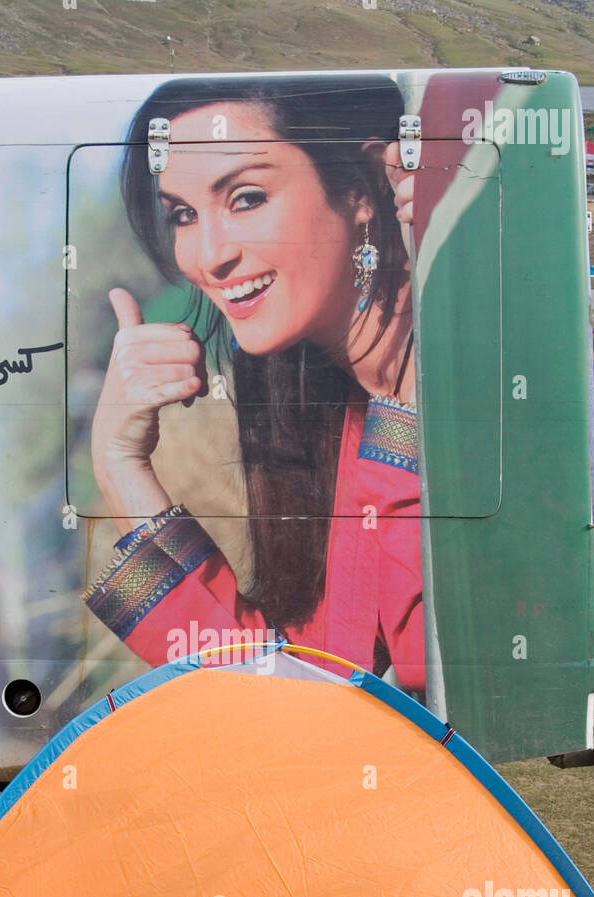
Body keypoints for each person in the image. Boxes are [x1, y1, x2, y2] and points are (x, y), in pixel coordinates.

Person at [82, 75, 425, 693]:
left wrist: (407, 406)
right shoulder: (342, 413)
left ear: (360, 187)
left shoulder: (459, 400)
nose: (207, 256)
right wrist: (118, 463)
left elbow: (432, 669)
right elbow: (276, 685)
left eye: (245, 198)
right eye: (183, 215)